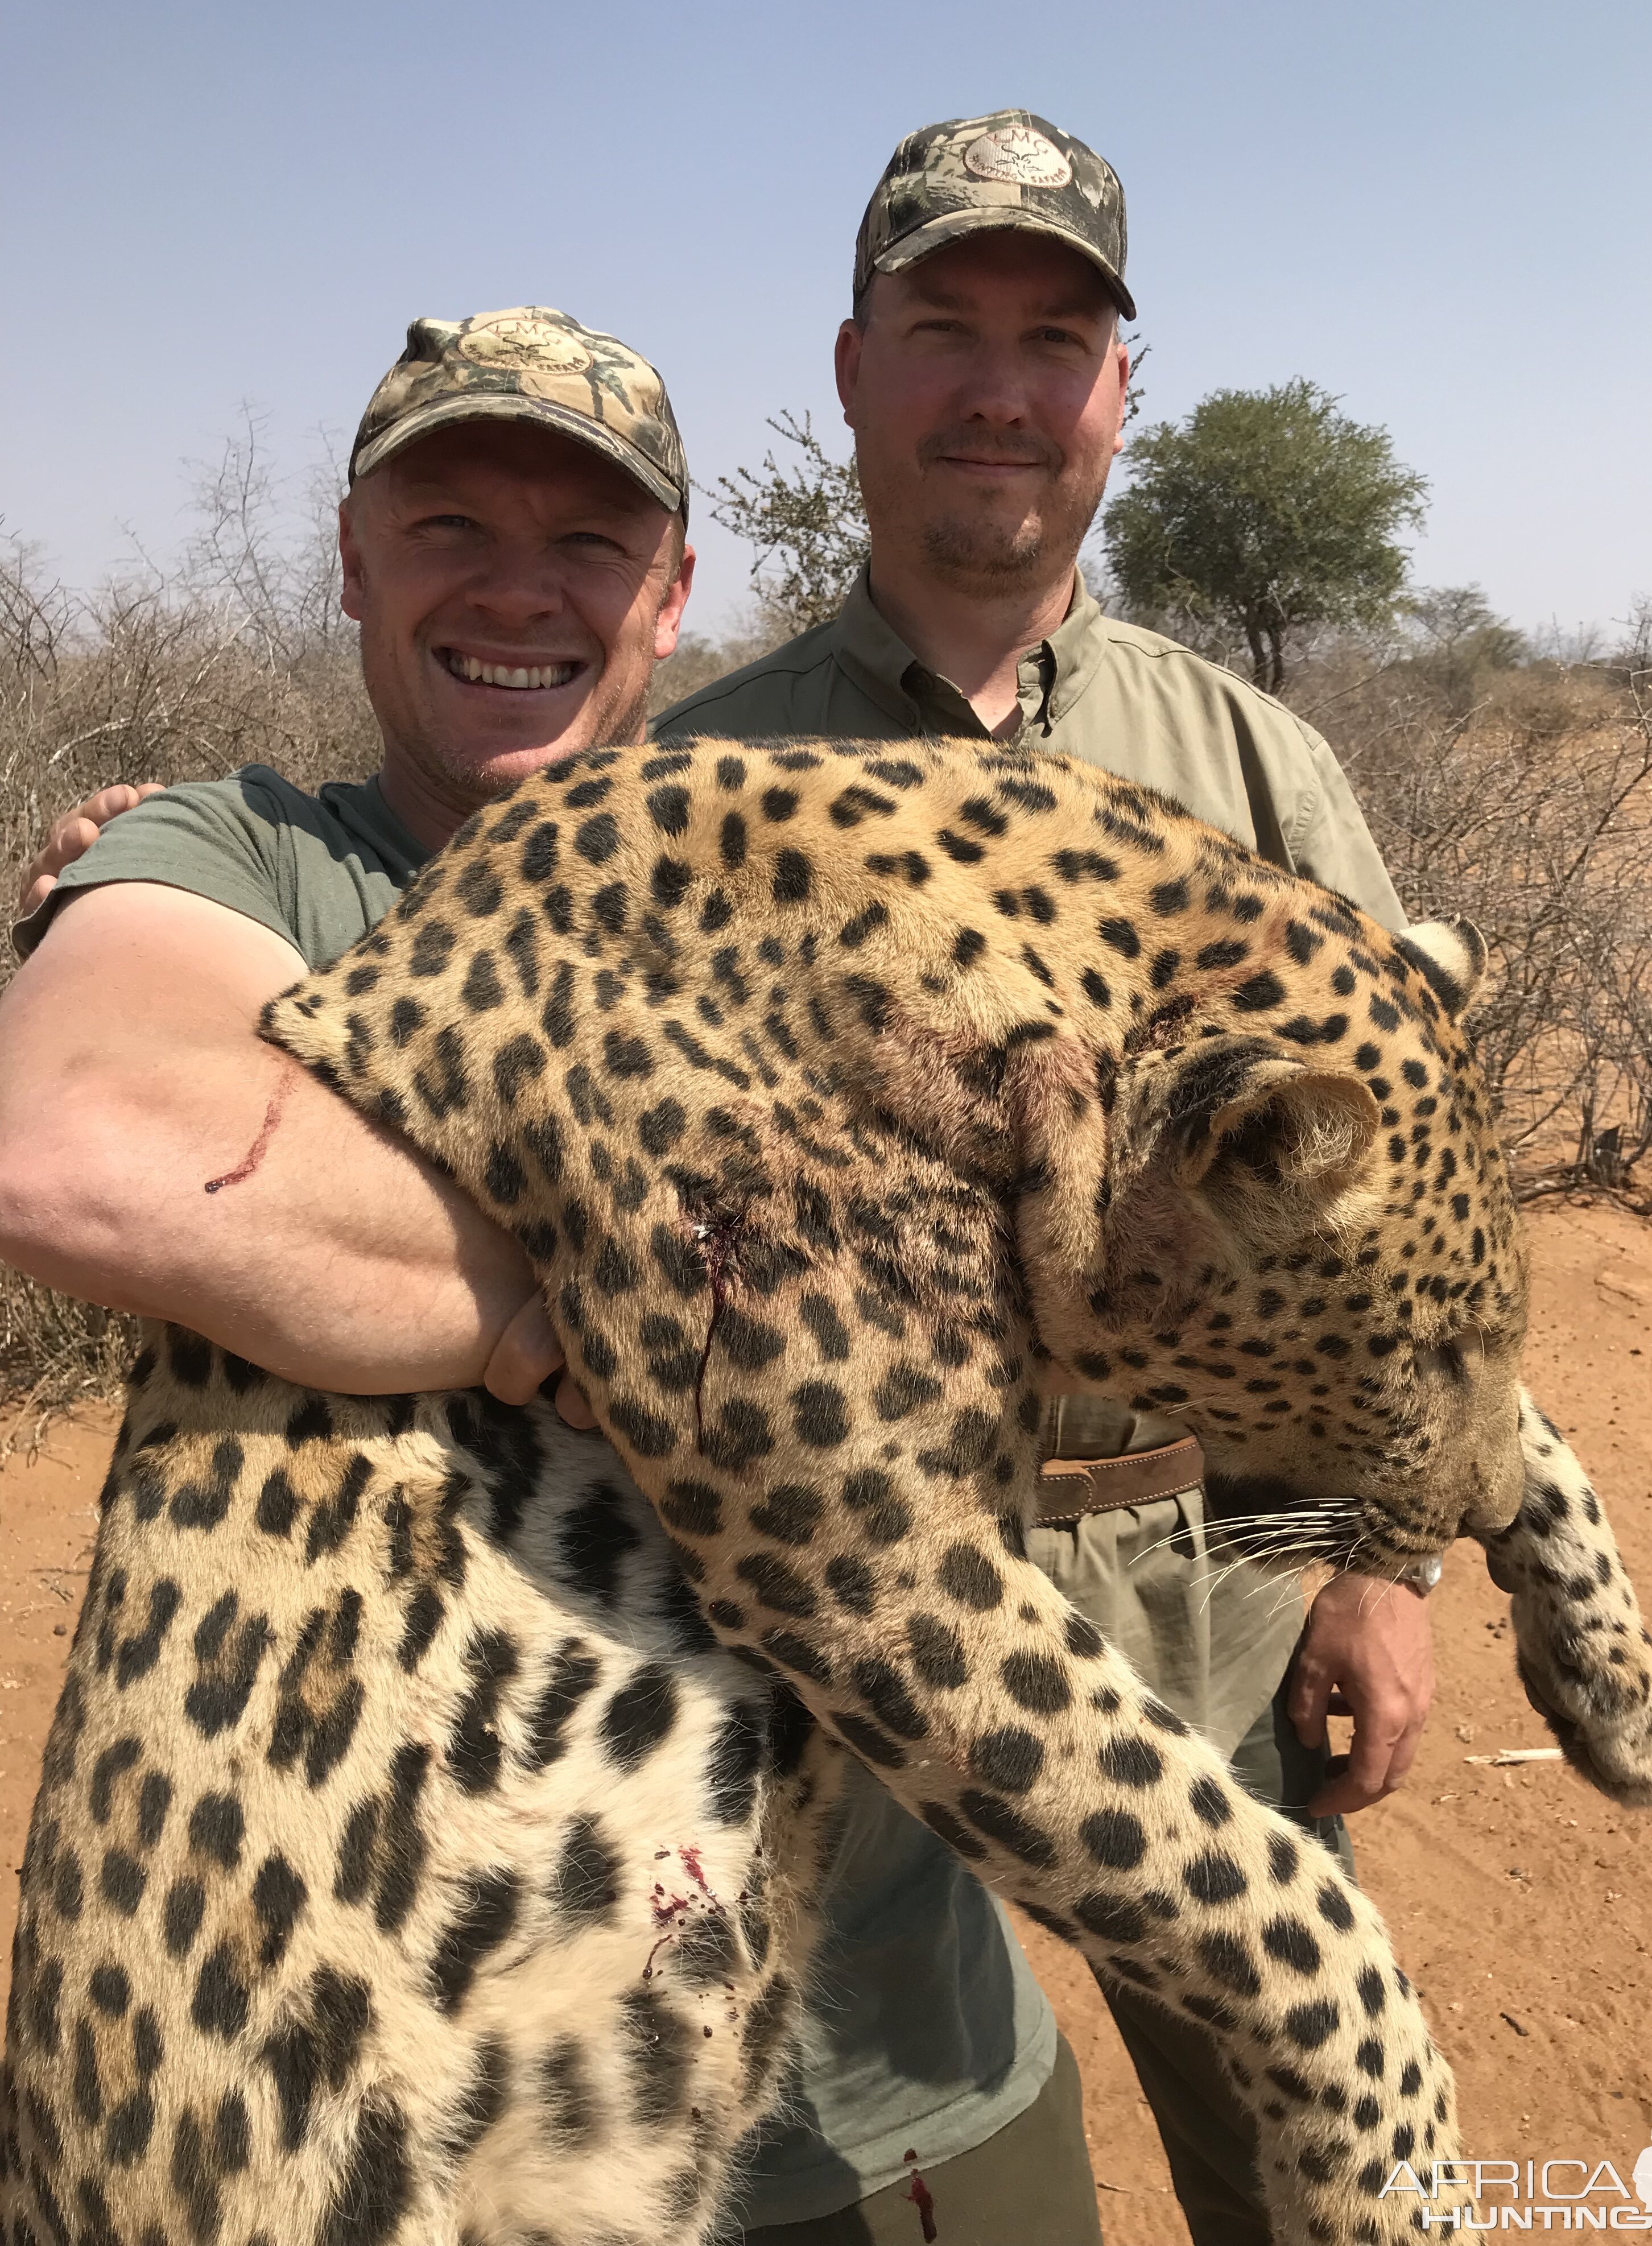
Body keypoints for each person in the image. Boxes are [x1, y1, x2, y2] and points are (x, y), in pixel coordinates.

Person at [0, 305, 1105, 2246]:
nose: (520, 592)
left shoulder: (800, 882)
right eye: (450, 530)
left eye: (590, 545)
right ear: (354, 558)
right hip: (393, 2092)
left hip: (880, 2047)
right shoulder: (251, 858)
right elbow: (76, 1144)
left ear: (673, 595)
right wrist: (638, 1288)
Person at [643, 108, 1439, 2246]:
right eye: (947, 327)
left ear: (1118, 394)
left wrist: (1380, 1565)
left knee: (1304, 2168)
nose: (1004, 385)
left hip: (1205, 1596)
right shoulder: (700, 775)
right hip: (846, 1634)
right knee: (880, 2170)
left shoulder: (1258, 764)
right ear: (852, 371)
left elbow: (1398, 1229)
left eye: (1057, 338)